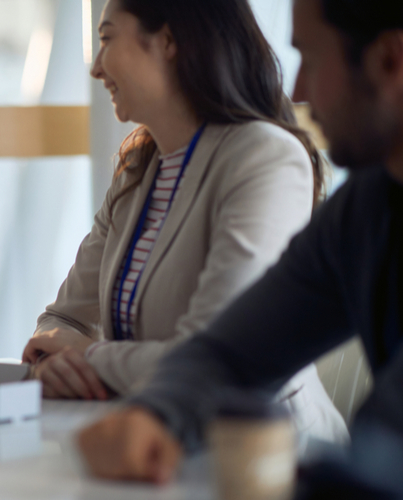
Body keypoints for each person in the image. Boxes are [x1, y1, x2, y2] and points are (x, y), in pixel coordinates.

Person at [78, 0, 402, 496]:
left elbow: (386, 449)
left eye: (311, 61)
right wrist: (155, 413)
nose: (297, 91)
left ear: (388, 62)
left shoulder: (264, 158)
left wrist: (89, 358)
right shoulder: (367, 207)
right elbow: (236, 348)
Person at [21, 0, 346, 442]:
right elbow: (62, 321)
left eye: (107, 38)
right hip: (158, 439)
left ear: (169, 41)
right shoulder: (140, 169)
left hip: (266, 456)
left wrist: (90, 357)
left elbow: (216, 355)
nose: (96, 67)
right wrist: (52, 363)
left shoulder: (265, 157)